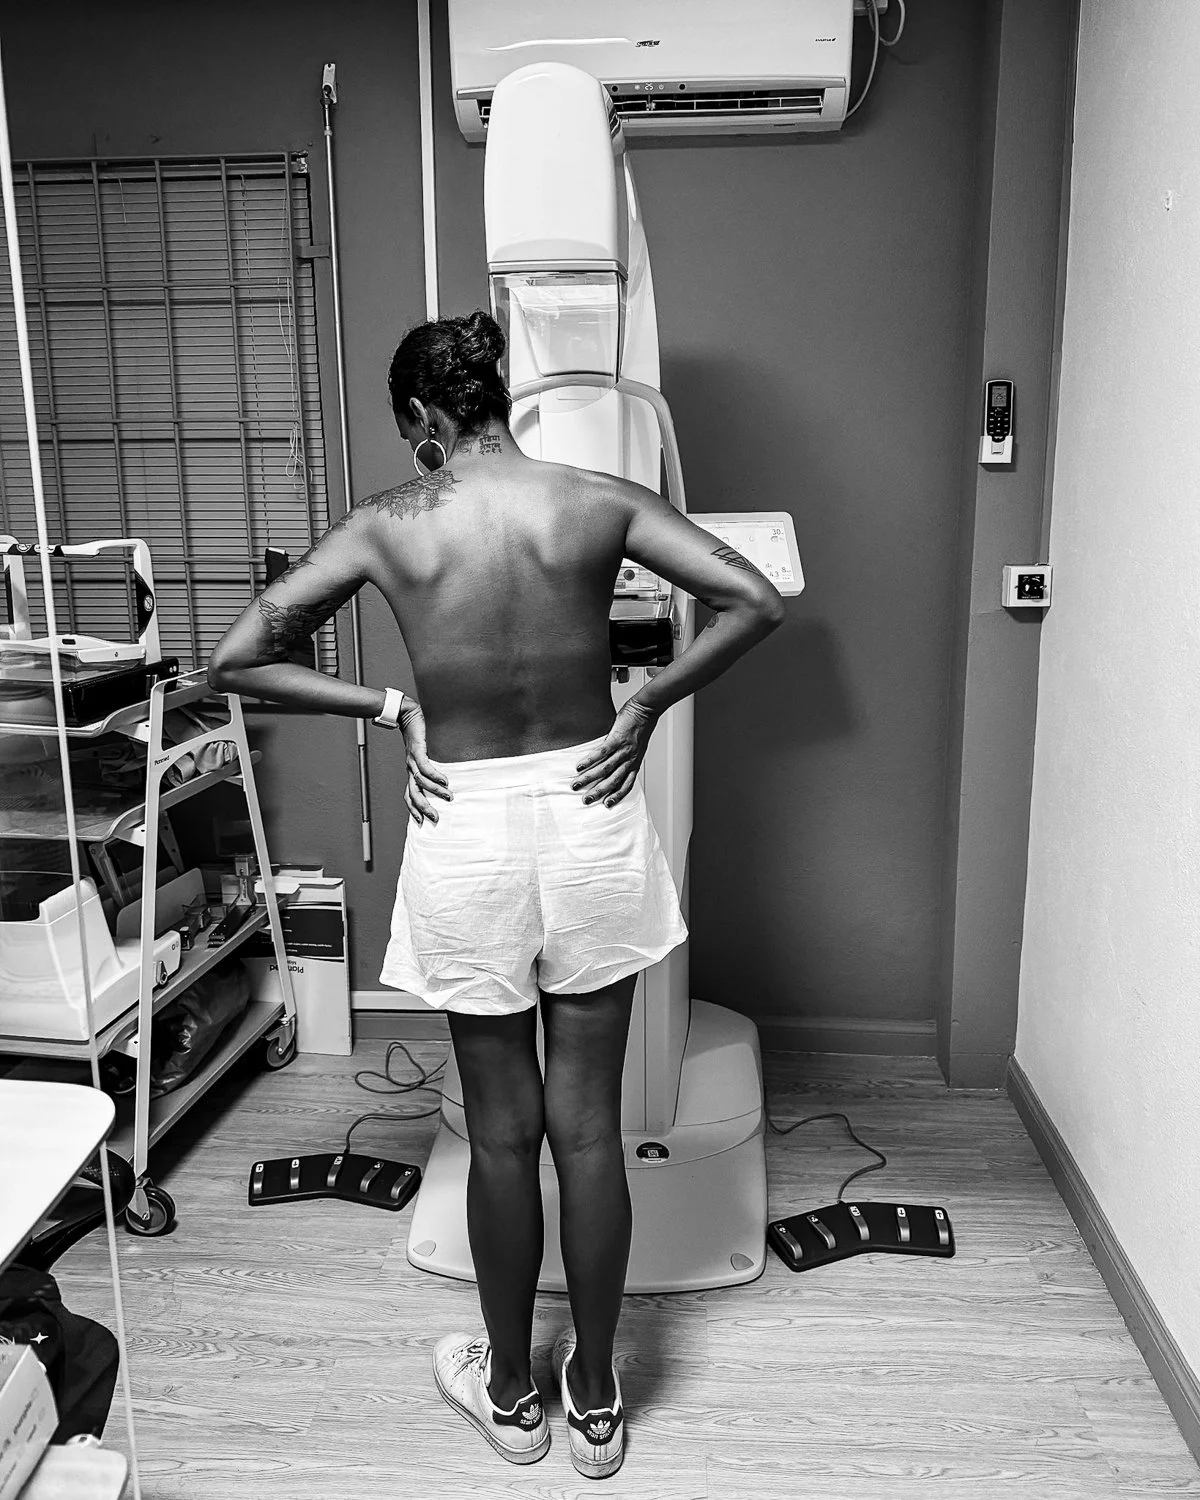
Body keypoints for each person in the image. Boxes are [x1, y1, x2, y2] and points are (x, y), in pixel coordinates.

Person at [207, 308, 785, 1476]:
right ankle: (600, 1396)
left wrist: (392, 711)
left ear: (422, 419)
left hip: (463, 829)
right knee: (588, 1133)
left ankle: (514, 1398)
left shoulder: (391, 523)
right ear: (502, 397)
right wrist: (645, 701)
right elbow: (756, 600)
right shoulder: (593, 497)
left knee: (501, 1139)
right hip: (589, 817)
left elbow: (236, 659)